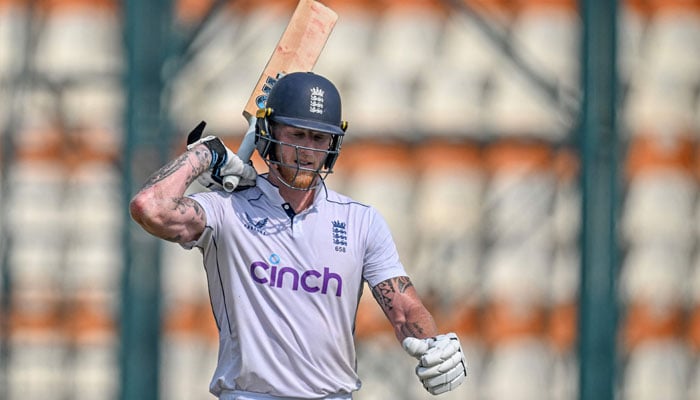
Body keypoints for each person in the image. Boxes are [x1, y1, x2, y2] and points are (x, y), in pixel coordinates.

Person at [129, 71, 467, 400]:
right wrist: (206, 155)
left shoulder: (361, 221)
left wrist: (432, 342)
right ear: (268, 134)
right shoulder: (226, 211)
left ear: (333, 143)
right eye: (296, 135)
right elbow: (150, 207)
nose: (307, 151)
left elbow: (405, 310)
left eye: (319, 138)